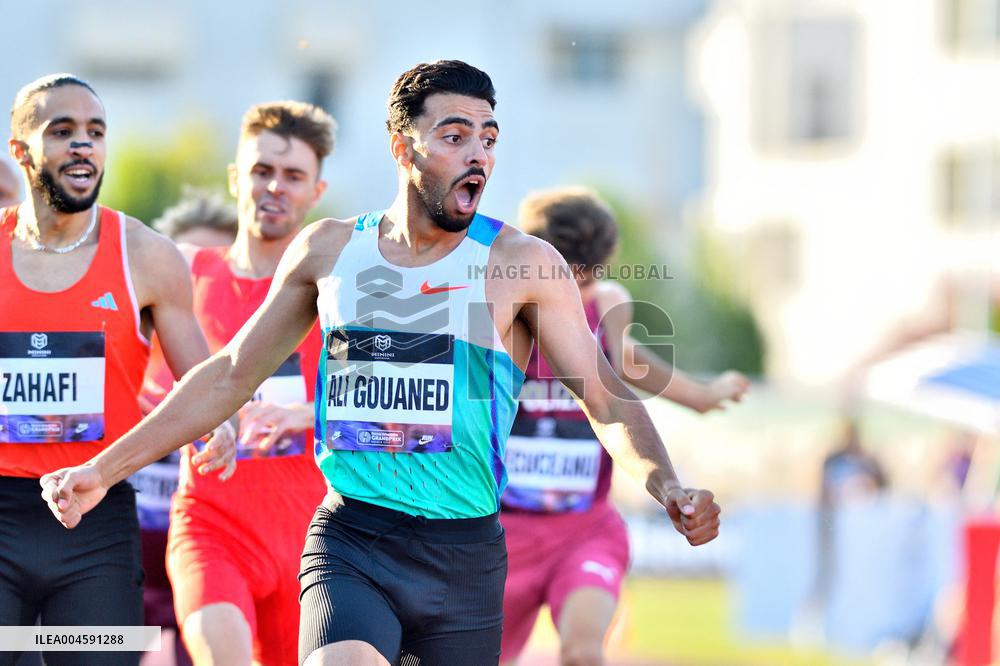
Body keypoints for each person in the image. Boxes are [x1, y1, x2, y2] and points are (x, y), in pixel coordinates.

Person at [41, 61, 722, 666]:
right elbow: (227, 375)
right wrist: (102, 470)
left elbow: (605, 399)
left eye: (488, 137)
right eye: (454, 136)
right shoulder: (331, 253)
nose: (476, 154)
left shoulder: (522, 265)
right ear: (403, 148)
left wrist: (668, 486)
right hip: (353, 537)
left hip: (465, 555)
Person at [0, 73, 234, 666]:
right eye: (63, 131)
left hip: (95, 517)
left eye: (95, 132)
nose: (83, 146)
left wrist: (221, 423)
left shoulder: (149, 256)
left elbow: (202, 381)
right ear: (21, 151)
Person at [500, 187, 750, 665]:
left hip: (584, 528)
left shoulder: (610, 303)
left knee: (583, 651)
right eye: (564, 277)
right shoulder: (505, 306)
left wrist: (698, 395)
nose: (575, 294)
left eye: (587, 281)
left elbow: (627, 362)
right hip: (503, 530)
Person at [163, 102, 333, 666]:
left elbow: (379, 403)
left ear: (316, 191)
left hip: (312, 542)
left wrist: (306, 416)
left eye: (293, 176)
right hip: (212, 525)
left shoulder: (336, 293)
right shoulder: (185, 273)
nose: (275, 187)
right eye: (262, 171)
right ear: (238, 177)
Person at [131, 189, 238, 666]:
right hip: (119, 583)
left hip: (205, 577)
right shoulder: (118, 360)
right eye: (186, 267)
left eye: (213, 271)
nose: (196, 284)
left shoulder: (250, 377)